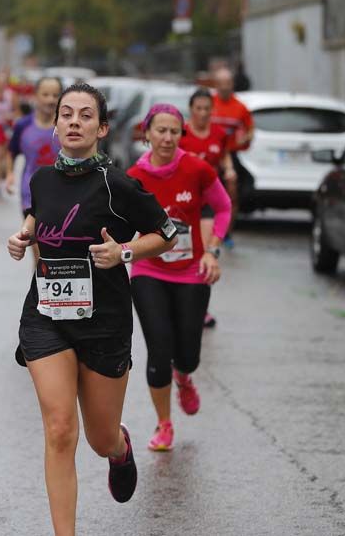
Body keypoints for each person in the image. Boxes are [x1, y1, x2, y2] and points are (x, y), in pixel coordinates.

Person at [6, 82, 177, 536]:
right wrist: (23, 236)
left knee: (100, 438)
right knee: (60, 429)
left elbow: (166, 234)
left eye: (85, 115)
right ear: (56, 123)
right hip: (46, 316)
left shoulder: (117, 184)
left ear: (101, 129)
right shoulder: (42, 178)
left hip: (104, 322)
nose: (74, 122)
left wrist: (124, 252)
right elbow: (38, 214)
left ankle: (120, 448)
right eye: (66, 114)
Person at [126, 104, 230, 451]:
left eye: (174, 131)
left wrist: (212, 251)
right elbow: (117, 221)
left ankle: (184, 377)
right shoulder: (134, 178)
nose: (167, 138)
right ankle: (164, 424)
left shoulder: (197, 169)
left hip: (190, 272)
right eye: (161, 130)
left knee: (188, 355)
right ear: (147, 134)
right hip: (148, 270)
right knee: (159, 349)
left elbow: (223, 207)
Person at [179, 87, 237, 328]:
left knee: (204, 252)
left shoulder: (218, 134)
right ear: (191, 109)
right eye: (198, 108)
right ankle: (179, 302)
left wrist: (229, 169)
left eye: (207, 109)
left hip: (207, 202)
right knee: (181, 254)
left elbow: (225, 155)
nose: (203, 113)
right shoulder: (181, 132)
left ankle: (202, 309)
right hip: (182, 202)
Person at [5, 76, 62, 229]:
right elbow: (12, 151)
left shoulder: (66, 125)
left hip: (61, 193)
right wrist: (10, 174)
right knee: (35, 238)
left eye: (55, 95)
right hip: (30, 192)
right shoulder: (23, 125)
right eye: (45, 95)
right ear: (36, 96)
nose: (50, 100)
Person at [210, 67, 254, 249]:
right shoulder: (209, 104)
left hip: (230, 154)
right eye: (221, 83)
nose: (224, 87)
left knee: (232, 194)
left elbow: (250, 130)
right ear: (216, 84)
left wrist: (245, 138)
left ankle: (226, 233)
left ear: (232, 84)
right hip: (209, 155)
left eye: (227, 83)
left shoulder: (240, 107)